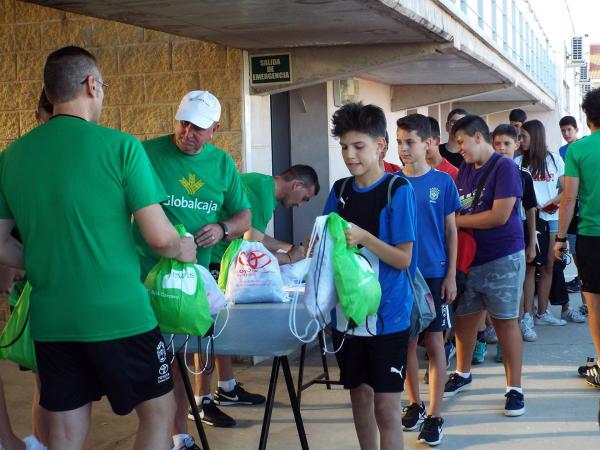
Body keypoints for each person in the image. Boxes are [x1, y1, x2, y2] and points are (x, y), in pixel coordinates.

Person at [0, 46, 197, 450]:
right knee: (158, 413)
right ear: (92, 85)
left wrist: (41, 264)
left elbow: (0, 244)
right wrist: (184, 248)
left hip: (54, 319)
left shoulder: (11, 157)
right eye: (102, 86)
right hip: (121, 315)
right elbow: (160, 238)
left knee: (65, 432)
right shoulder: (122, 147)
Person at [133, 90, 252, 448]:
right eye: (183, 123)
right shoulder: (145, 153)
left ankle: (178, 437)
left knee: (180, 361)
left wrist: (222, 229)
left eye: (198, 128)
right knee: (154, 363)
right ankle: (162, 435)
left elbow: (243, 215)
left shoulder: (222, 164)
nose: (188, 133)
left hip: (190, 286)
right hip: (144, 278)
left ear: (215, 129)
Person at [323, 102, 416, 450]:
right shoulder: (340, 191)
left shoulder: (398, 190)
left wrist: (366, 238)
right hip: (346, 318)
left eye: (358, 146)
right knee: (359, 400)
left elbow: (404, 259)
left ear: (380, 146)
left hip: (388, 318)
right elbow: (323, 245)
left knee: (387, 408)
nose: (350, 155)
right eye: (344, 146)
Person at [198, 165, 319, 427]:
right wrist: (287, 258)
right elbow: (250, 248)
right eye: (305, 198)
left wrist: (291, 249)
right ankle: (201, 400)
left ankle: (227, 387)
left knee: (220, 326)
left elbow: (255, 236)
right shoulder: (264, 196)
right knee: (207, 329)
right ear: (297, 185)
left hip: (218, 256)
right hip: (215, 259)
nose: (300, 205)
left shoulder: (260, 183)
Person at [443, 115, 526, 417]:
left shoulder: (504, 167)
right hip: (468, 259)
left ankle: (514, 388)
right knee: (464, 320)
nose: (459, 149)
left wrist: (455, 223)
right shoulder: (465, 168)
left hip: (501, 257)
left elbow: (499, 216)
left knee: (505, 322)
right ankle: (462, 373)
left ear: (478, 137)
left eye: (462, 142)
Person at [397, 114, 459, 446]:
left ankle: (435, 415)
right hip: (401, 274)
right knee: (406, 342)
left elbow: (451, 231)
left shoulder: (443, 182)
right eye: (399, 142)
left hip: (434, 275)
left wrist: (450, 275)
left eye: (410, 142)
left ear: (428, 143)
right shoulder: (393, 182)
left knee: (435, 344)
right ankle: (415, 404)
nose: (404, 148)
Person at [516, 120, 585, 325]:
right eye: (519, 137)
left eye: (524, 137)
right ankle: (527, 314)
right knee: (530, 266)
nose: (520, 141)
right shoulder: (517, 161)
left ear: (535, 137)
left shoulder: (555, 159)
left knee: (551, 265)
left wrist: (553, 202)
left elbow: (566, 188)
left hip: (554, 219)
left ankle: (542, 313)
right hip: (528, 220)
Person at [554, 88, 600, 388]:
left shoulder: (578, 150)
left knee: (595, 306)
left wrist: (560, 237)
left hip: (591, 237)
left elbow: (568, 199)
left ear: (587, 117)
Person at [492, 124, 538, 348]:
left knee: (515, 288)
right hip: (491, 241)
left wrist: (532, 243)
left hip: (516, 240)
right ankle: (490, 329)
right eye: (498, 144)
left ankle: (518, 326)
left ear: (517, 146)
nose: (502, 148)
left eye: (507, 144)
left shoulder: (524, 176)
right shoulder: (485, 174)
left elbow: (530, 210)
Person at [558, 116, 583, 296]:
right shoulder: (561, 151)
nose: (566, 133)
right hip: (569, 204)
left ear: (576, 130)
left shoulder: (583, 147)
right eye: (563, 130)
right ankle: (586, 302)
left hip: (584, 203)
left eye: (569, 130)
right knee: (575, 252)